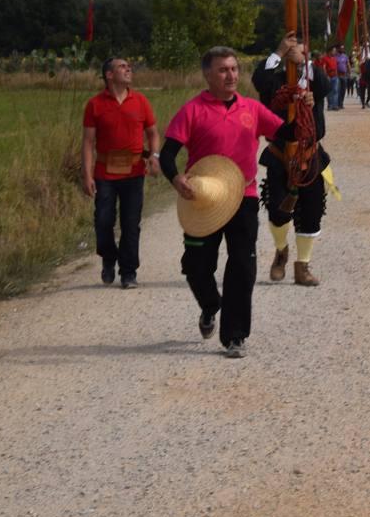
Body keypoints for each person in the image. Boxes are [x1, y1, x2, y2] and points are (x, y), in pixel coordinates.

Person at [159, 47, 290, 358]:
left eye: (234, 69)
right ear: (207, 74)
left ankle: (234, 336)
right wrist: (177, 179)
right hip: (202, 198)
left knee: (243, 266)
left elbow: (287, 133)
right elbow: (167, 155)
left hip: (243, 196)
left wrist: (303, 107)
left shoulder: (252, 108)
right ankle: (210, 305)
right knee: (195, 266)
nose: (231, 75)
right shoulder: (192, 110)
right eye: (223, 70)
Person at [252, 33, 330, 286]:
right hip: (280, 153)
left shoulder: (312, 79)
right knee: (277, 209)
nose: (294, 51)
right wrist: (278, 51)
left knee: (312, 210)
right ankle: (280, 252)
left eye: (299, 48)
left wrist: (306, 63)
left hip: (310, 154)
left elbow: (325, 86)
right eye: (291, 48)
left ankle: (303, 265)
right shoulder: (273, 80)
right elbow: (258, 80)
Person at [81, 57, 159, 288]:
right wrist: (86, 175)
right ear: (109, 75)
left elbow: (153, 133)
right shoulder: (94, 104)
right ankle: (108, 256)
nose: (128, 69)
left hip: (134, 172)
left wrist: (154, 157)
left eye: (128, 67)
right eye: (122, 67)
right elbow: (87, 142)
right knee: (103, 220)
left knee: (131, 222)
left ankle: (128, 272)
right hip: (104, 173)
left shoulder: (141, 101)